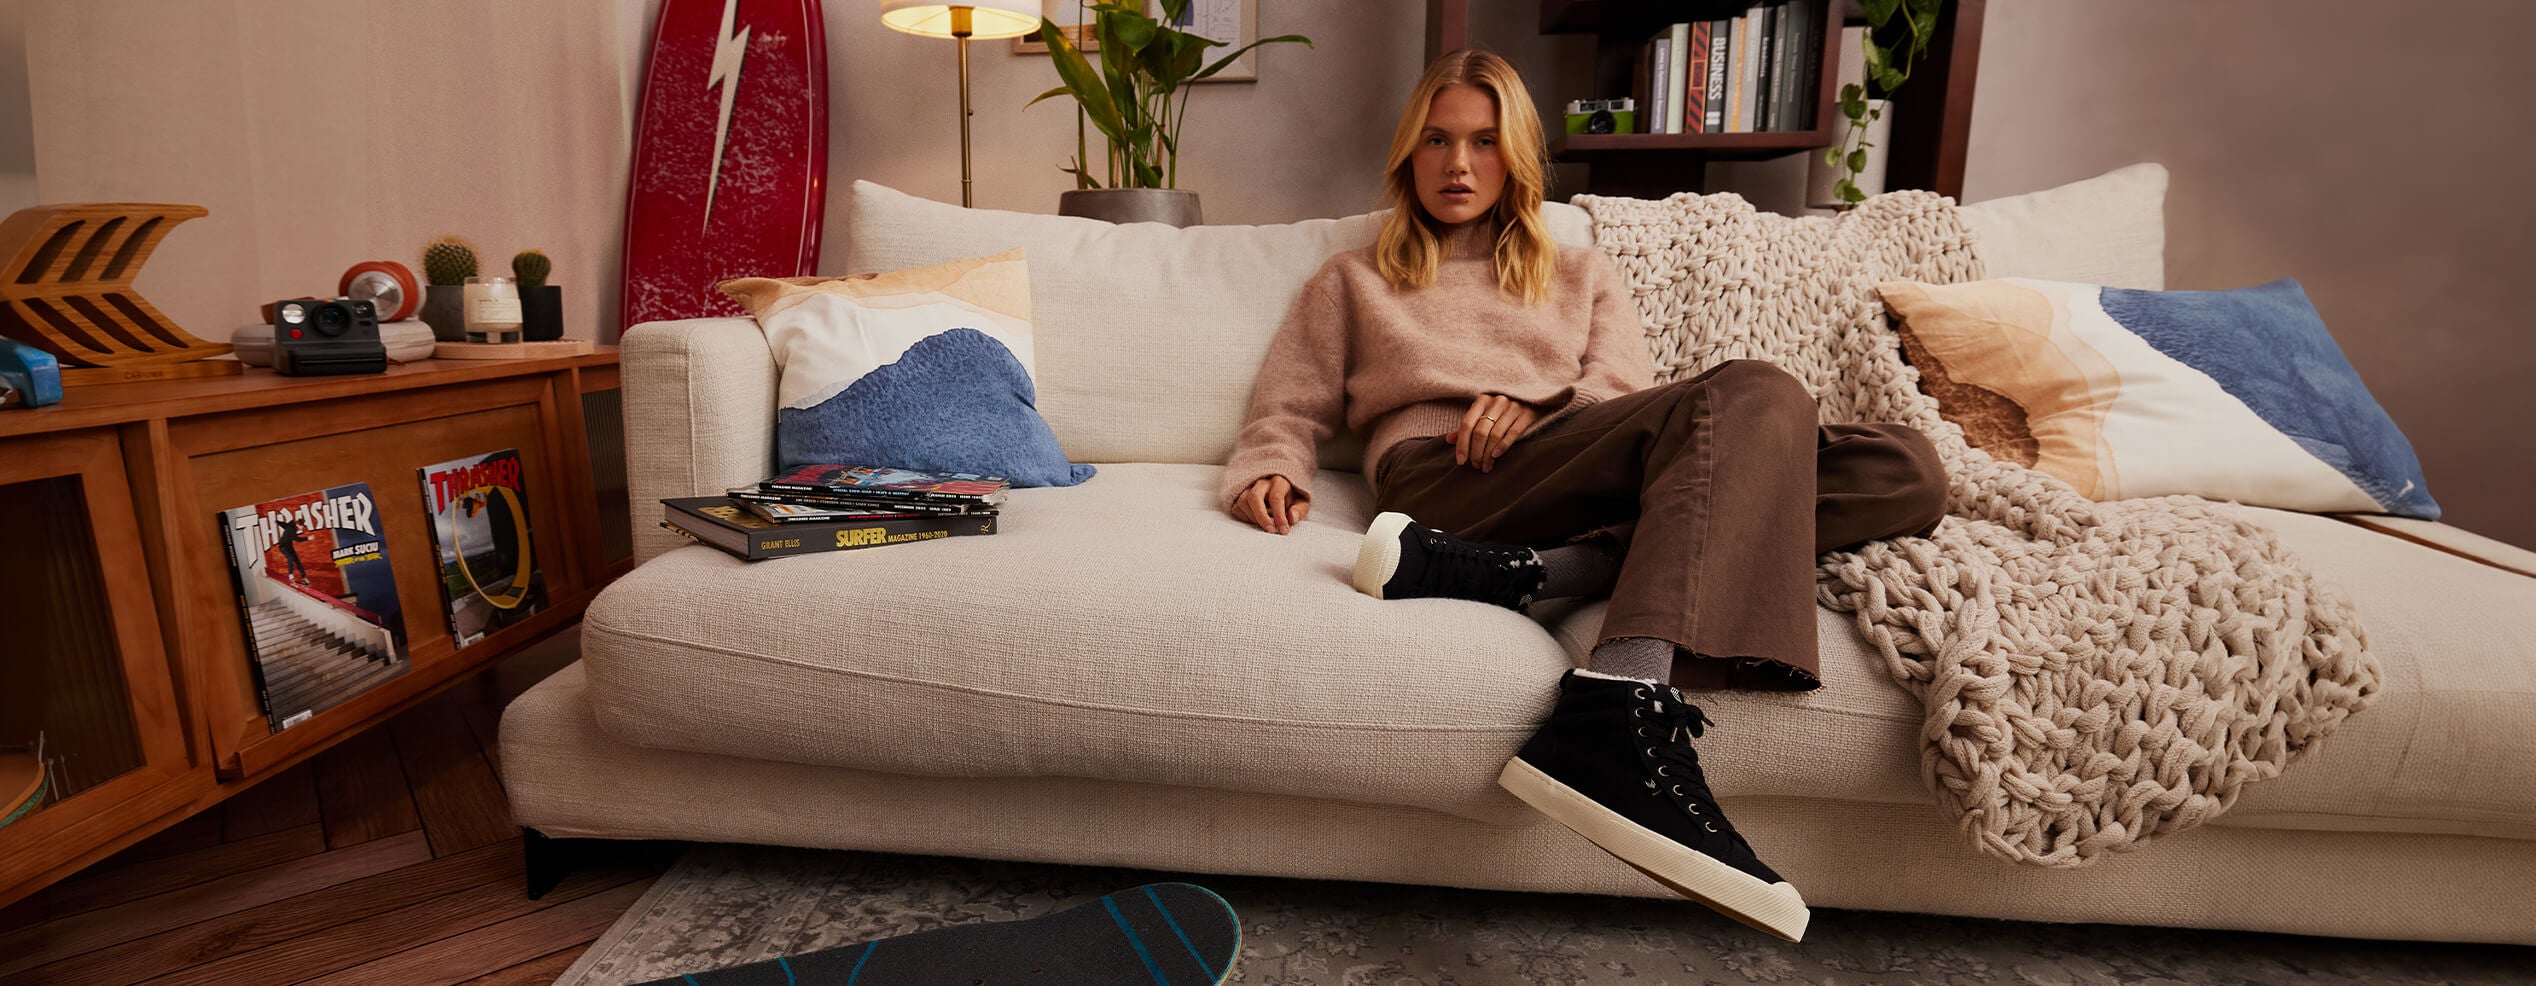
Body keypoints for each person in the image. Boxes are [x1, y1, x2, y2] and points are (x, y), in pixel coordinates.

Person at [1218, 50, 1948, 942]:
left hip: (1577, 465)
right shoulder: (1353, 278)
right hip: (1446, 476)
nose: (1458, 164)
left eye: (1485, 142)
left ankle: (1538, 571)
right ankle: (1618, 705)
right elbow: (1287, 404)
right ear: (1409, 154)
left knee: (1906, 467)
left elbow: (1621, 395)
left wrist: (1538, 407)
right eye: (1437, 141)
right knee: (1754, 392)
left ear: (1517, 157)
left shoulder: (1581, 272)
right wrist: (1272, 464)